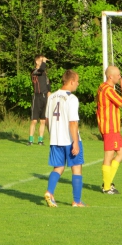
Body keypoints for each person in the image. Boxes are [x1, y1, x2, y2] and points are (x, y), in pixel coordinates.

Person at [44, 70, 86, 207]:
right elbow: (73, 122)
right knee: (76, 168)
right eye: (77, 81)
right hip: (69, 139)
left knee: (58, 168)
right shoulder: (72, 98)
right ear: (72, 81)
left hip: (55, 139)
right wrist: (75, 142)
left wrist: (52, 134)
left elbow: (47, 119)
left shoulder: (51, 97)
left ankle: (49, 192)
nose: (78, 84)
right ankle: (77, 201)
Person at [96, 65, 122, 194]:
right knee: (109, 156)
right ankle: (107, 187)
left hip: (112, 127)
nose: (120, 77)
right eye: (118, 75)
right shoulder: (108, 90)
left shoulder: (102, 87)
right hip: (109, 127)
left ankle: (108, 182)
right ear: (110, 77)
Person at [27, 54, 51, 146]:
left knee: (43, 120)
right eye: (41, 61)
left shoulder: (44, 73)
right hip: (37, 97)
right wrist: (44, 61)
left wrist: (49, 91)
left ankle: (40, 140)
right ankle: (30, 140)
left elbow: (47, 83)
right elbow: (40, 70)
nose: (42, 62)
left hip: (44, 97)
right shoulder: (34, 71)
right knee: (34, 120)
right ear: (37, 62)